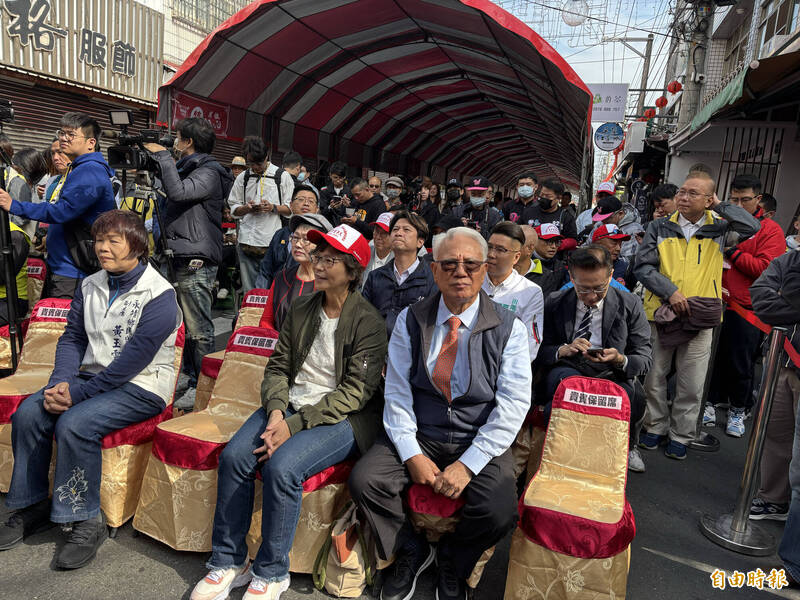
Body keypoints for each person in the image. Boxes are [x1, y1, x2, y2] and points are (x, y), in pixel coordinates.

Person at [190, 224, 387, 600]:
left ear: (353, 270)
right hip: (291, 404)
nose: (321, 265)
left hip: (339, 417)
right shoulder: (301, 306)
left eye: (331, 260)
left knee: (283, 468)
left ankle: (272, 571)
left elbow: (354, 394)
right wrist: (279, 412)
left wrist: (294, 425)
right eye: (319, 257)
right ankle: (228, 560)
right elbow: (278, 367)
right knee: (234, 456)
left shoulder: (369, 323)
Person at [349, 227, 531, 600]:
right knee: (366, 480)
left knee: (499, 509)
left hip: (476, 434)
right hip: (422, 430)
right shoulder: (411, 319)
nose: (460, 272)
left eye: (470, 264)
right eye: (449, 264)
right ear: (434, 270)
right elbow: (397, 390)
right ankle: (409, 549)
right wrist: (411, 453)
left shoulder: (509, 327)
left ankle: (453, 560)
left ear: (485, 270)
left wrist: (469, 464)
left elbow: (513, 404)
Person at [0, 210, 181, 568]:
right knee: (29, 414)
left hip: (141, 385)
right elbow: (73, 338)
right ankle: (32, 503)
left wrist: (77, 396)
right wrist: (59, 383)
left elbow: (134, 359)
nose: (103, 248)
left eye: (114, 240)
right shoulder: (90, 284)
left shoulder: (160, 294)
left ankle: (86, 518)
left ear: (138, 245)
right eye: (100, 240)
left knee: (76, 423)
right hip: (89, 378)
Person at [636, 172, 760, 460]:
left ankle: (681, 433)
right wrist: (671, 293)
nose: (683, 197)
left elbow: (752, 226)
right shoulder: (659, 226)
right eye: (682, 191)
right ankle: (654, 425)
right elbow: (643, 267)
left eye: (693, 193)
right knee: (654, 376)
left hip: (701, 317)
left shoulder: (720, 228)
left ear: (708, 199)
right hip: (661, 313)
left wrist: (719, 205)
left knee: (691, 382)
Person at [536, 245, 652, 472]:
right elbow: (538, 349)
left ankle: (625, 447)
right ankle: (558, 452)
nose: (591, 297)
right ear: (571, 277)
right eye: (583, 288)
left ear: (610, 275)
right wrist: (563, 349)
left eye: (599, 289)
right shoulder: (556, 302)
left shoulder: (630, 304)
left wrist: (620, 359)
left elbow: (644, 356)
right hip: (569, 367)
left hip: (613, 373)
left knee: (630, 397)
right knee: (565, 388)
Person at [144, 117, 234, 407]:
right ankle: (187, 374)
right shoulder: (184, 168)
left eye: (178, 137)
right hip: (176, 251)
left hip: (195, 256)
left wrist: (162, 157)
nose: (173, 142)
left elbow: (179, 193)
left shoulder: (209, 172)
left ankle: (203, 383)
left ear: (189, 142)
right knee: (178, 324)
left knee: (198, 327)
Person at [0, 113, 116, 299]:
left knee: (62, 326)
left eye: (71, 134)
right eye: (62, 133)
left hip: (72, 271)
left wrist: (13, 205)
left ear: (90, 143)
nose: (63, 138)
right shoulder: (80, 168)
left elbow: (62, 211)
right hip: (64, 264)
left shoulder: (90, 171)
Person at [705, 174, 786, 436]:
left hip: (747, 309)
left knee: (740, 362)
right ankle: (708, 403)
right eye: (734, 199)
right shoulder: (722, 221)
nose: (739, 206)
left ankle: (739, 409)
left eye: (745, 200)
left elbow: (765, 269)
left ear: (758, 199)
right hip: (715, 300)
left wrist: (733, 252)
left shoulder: (771, 230)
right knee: (712, 359)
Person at [748, 250, 800, 583]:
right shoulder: (788, 261)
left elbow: (774, 301)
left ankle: (794, 559)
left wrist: (786, 300)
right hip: (781, 359)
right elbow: (761, 299)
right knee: (773, 433)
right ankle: (773, 499)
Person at [226, 137, 294, 294]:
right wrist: (247, 208)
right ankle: (250, 317)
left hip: (270, 243)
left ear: (267, 157)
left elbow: (290, 209)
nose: (255, 167)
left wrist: (272, 207)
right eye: (251, 164)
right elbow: (233, 208)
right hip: (245, 242)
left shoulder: (282, 177)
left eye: (259, 163)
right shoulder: (243, 177)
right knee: (249, 291)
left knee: (268, 290)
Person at [362, 211, 437, 338]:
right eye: (395, 229)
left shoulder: (432, 279)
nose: (399, 233)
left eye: (406, 229)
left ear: (420, 241)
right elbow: (363, 316)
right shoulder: (375, 276)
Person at [482, 221, 544, 360]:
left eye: (500, 250)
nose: (491, 254)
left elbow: (530, 345)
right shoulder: (473, 281)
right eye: (489, 247)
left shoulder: (530, 292)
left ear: (516, 257)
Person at [261, 213, 332, 331]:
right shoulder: (282, 277)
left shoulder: (331, 283)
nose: (298, 244)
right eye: (295, 237)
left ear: (322, 246)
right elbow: (266, 320)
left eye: (306, 240)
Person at [255, 185, 319, 290]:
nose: (306, 203)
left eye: (311, 201)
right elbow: (266, 270)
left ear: (317, 209)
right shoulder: (280, 234)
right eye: (301, 199)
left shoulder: (320, 238)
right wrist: (262, 294)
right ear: (291, 205)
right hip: (277, 293)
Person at [4, 148, 47, 238]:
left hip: (22, 239)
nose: (12, 167)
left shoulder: (20, 182)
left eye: (15, 164)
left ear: (27, 166)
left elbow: (20, 219)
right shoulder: (32, 184)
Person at [522, 178, 578, 247]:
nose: (543, 198)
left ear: (559, 198)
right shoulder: (529, 211)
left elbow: (574, 240)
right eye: (542, 194)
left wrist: (557, 244)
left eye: (548, 196)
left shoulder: (565, 217)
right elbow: (518, 231)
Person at [524, 223, 568, 297]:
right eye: (549, 241)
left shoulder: (560, 267)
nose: (553, 246)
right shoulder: (525, 262)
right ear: (535, 240)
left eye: (557, 242)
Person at [453, 176, 503, 240]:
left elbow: (496, 240)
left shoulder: (494, 216)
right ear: (469, 193)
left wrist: (481, 233)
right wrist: (459, 226)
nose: (476, 197)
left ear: (487, 194)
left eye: (480, 194)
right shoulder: (458, 211)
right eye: (473, 194)